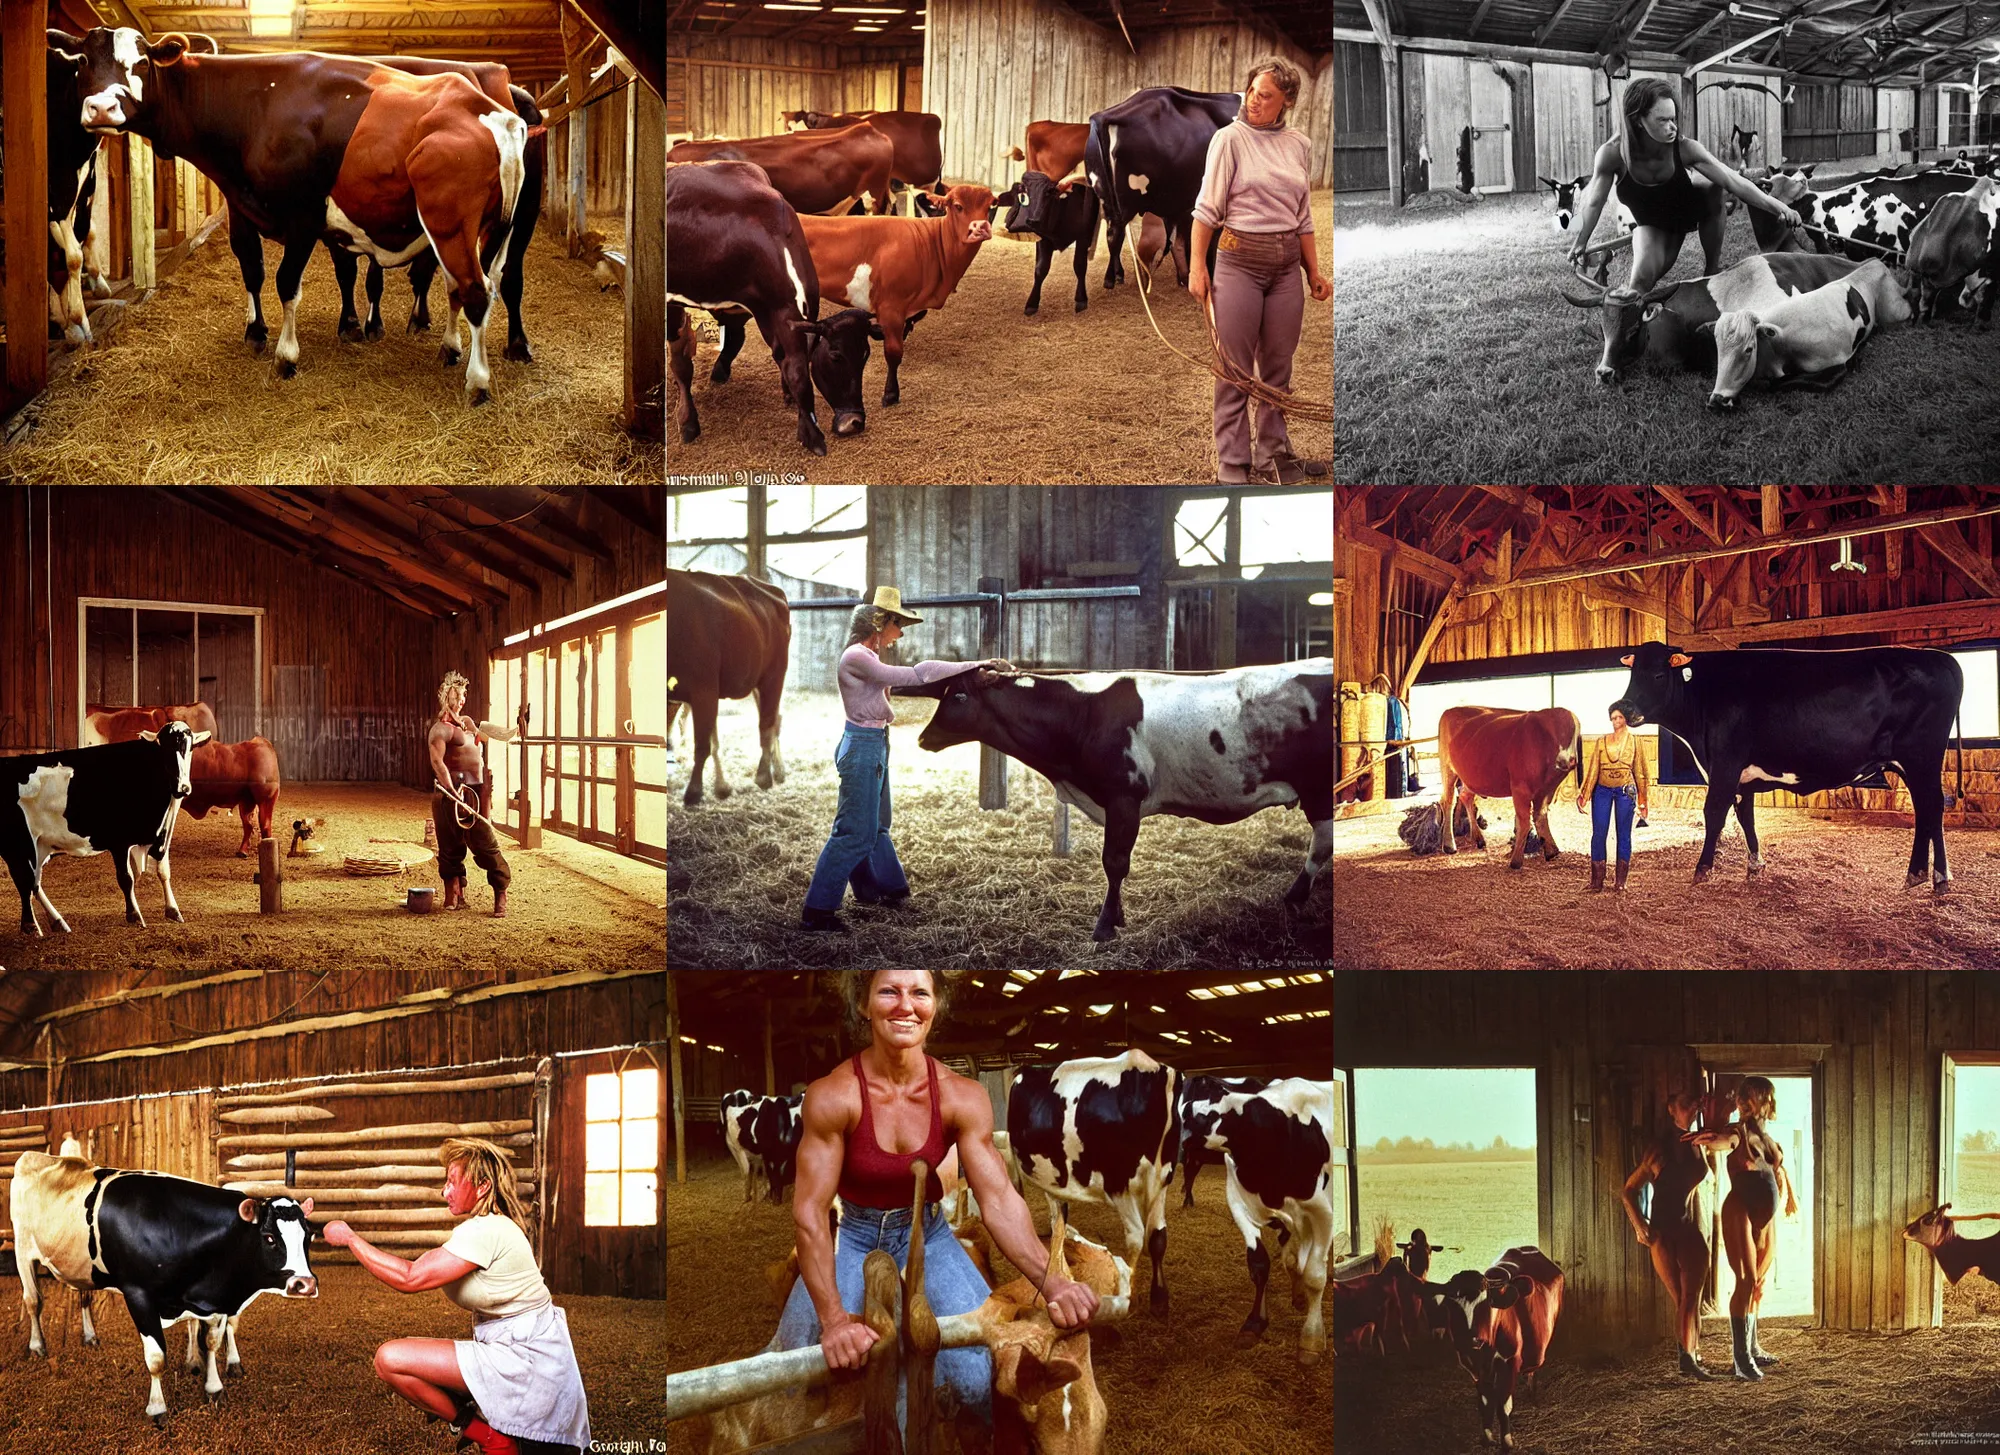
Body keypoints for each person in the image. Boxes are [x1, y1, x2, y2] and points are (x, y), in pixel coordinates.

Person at [775, 970, 1101, 1443]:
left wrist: (1051, 1282)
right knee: (799, 1375)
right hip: (856, 1237)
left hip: (929, 1236)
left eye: (919, 993)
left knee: (973, 1379)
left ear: (935, 1008)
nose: (904, 1005)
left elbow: (998, 1199)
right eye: (888, 991)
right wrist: (832, 1321)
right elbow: (809, 1213)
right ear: (864, 1005)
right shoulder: (833, 1095)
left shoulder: (960, 1096)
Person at [323, 1137, 591, 1455]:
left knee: (390, 1360)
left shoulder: (487, 1230)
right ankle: (487, 1427)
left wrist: (351, 1239)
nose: (444, 1191)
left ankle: (492, 1438)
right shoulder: (490, 1227)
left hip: (530, 1366)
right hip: (526, 1358)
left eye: (452, 1181)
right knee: (399, 1360)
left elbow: (410, 1278)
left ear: (482, 1187)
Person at [800, 588, 1007, 933]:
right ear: (882, 622)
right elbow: (919, 675)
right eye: (899, 624)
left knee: (877, 823)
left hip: (876, 742)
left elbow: (920, 683)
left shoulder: (869, 657)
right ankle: (817, 911)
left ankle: (883, 888)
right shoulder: (857, 658)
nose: (902, 632)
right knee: (855, 832)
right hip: (863, 745)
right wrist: (976, 665)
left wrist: (969, 678)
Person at [1189, 57, 1330, 485]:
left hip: (1287, 265)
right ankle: (1233, 465)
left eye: (1265, 95)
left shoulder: (1298, 145)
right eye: (1250, 90)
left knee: (1278, 368)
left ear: (1286, 101)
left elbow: (1303, 217)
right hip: (1239, 262)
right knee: (1233, 368)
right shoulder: (1228, 140)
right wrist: (1198, 267)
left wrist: (1314, 271)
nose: (1253, 100)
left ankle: (1272, 455)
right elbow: (1206, 211)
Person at [1566, 77, 1802, 296]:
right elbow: (1594, 202)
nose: (1672, 127)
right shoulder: (1611, 155)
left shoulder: (1685, 148)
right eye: (1663, 120)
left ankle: (1712, 269)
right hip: (1652, 225)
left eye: (1673, 119)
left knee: (1714, 187)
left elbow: (1733, 180)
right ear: (1638, 120)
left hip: (1686, 211)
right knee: (1638, 288)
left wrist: (1778, 206)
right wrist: (1581, 242)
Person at [1686, 1078, 1796, 1381]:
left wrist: (1788, 1199)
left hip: (1765, 1218)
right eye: (1743, 1097)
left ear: (1767, 1102)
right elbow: (1725, 1141)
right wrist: (1709, 1139)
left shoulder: (1771, 1141)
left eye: (1753, 1096)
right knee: (1745, 1281)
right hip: (1740, 1210)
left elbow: (1777, 1171)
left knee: (1757, 1284)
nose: (1745, 1102)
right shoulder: (1738, 1132)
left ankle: (1753, 1346)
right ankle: (1741, 1360)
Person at [1621, 1090, 1717, 1378]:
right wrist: (1640, 1227)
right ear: (1672, 1110)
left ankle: (1691, 1357)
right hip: (1662, 1233)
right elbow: (1628, 1191)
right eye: (1687, 1104)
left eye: (1695, 1103)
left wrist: (1710, 1114)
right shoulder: (1658, 1149)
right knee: (1682, 1300)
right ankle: (1689, 1359)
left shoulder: (1699, 1140)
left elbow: (1725, 1138)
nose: (1693, 1108)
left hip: (1689, 1229)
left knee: (1690, 1299)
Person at [428, 670, 513, 917]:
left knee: (485, 843)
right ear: (447, 696)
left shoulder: (468, 725)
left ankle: (500, 893)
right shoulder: (440, 730)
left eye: (464, 695)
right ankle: (453, 894)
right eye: (458, 695)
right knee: (449, 847)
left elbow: (489, 739)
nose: (462, 700)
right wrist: (453, 793)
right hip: (449, 793)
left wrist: (488, 731)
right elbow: (437, 763)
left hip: (475, 791)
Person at [1577, 701, 1650, 892]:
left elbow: (1640, 771)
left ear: (1626, 718)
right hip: (1602, 790)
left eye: (1619, 717)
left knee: (1623, 835)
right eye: (1613, 717)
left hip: (1625, 792)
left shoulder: (1635, 742)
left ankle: (1620, 883)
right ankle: (1596, 882)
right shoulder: (1602, 741)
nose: (1616, 721)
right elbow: (1593, 769)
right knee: (1598, 834)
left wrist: (1643, 799)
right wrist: (1584, 794)